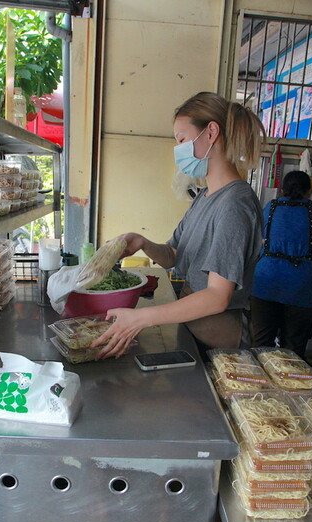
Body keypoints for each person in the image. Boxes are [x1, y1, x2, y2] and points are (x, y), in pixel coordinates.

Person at [92, 91, 265, 358]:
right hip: (195, 327)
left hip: (221, 339)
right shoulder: (205, 197)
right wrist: (143, 243)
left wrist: (141, 318)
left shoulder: (234, 204)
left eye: (182, 140)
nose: (179, 150)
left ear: (211, 133)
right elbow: (173, 255)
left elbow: (217, 296)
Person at [250, 170, 312, 357]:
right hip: (302, 284)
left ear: (282, 189)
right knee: (293, 347)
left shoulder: (270, 207)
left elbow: (261, 238)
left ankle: (259, 383)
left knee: (261, 343)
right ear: (309, 191)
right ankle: (291, 383)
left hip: (266, 281)